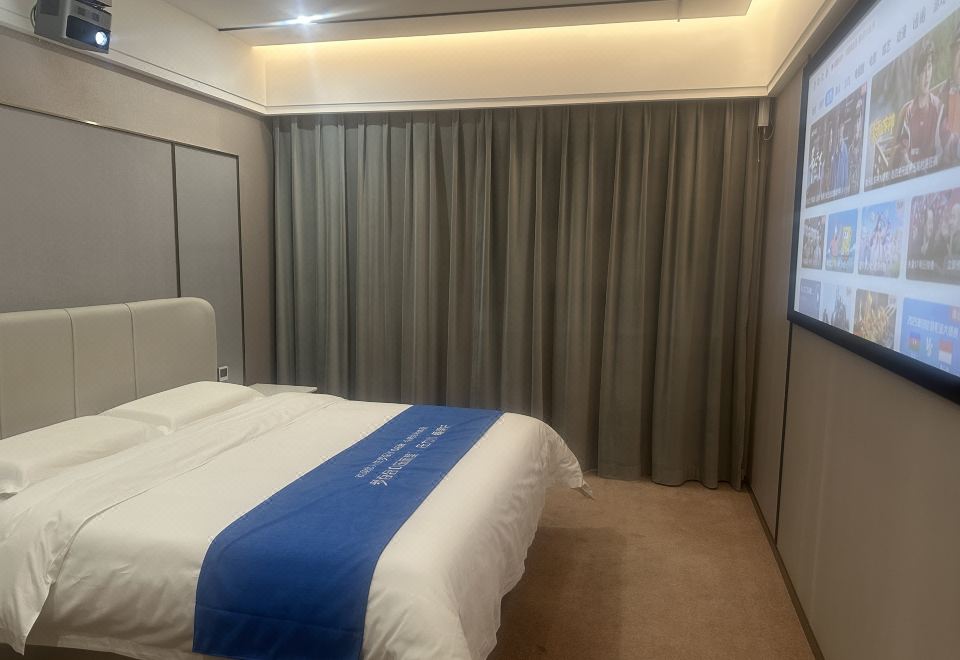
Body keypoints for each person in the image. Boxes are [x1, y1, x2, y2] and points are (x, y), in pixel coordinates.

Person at [897, 40, 944, 168]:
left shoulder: (938, 107)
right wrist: (911, 168)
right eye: (923, 71)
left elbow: (941, 151)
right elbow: (904, 150)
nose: (927, 75)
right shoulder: (909, 111)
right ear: (916, 77)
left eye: (929, 67)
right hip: (911, 172)